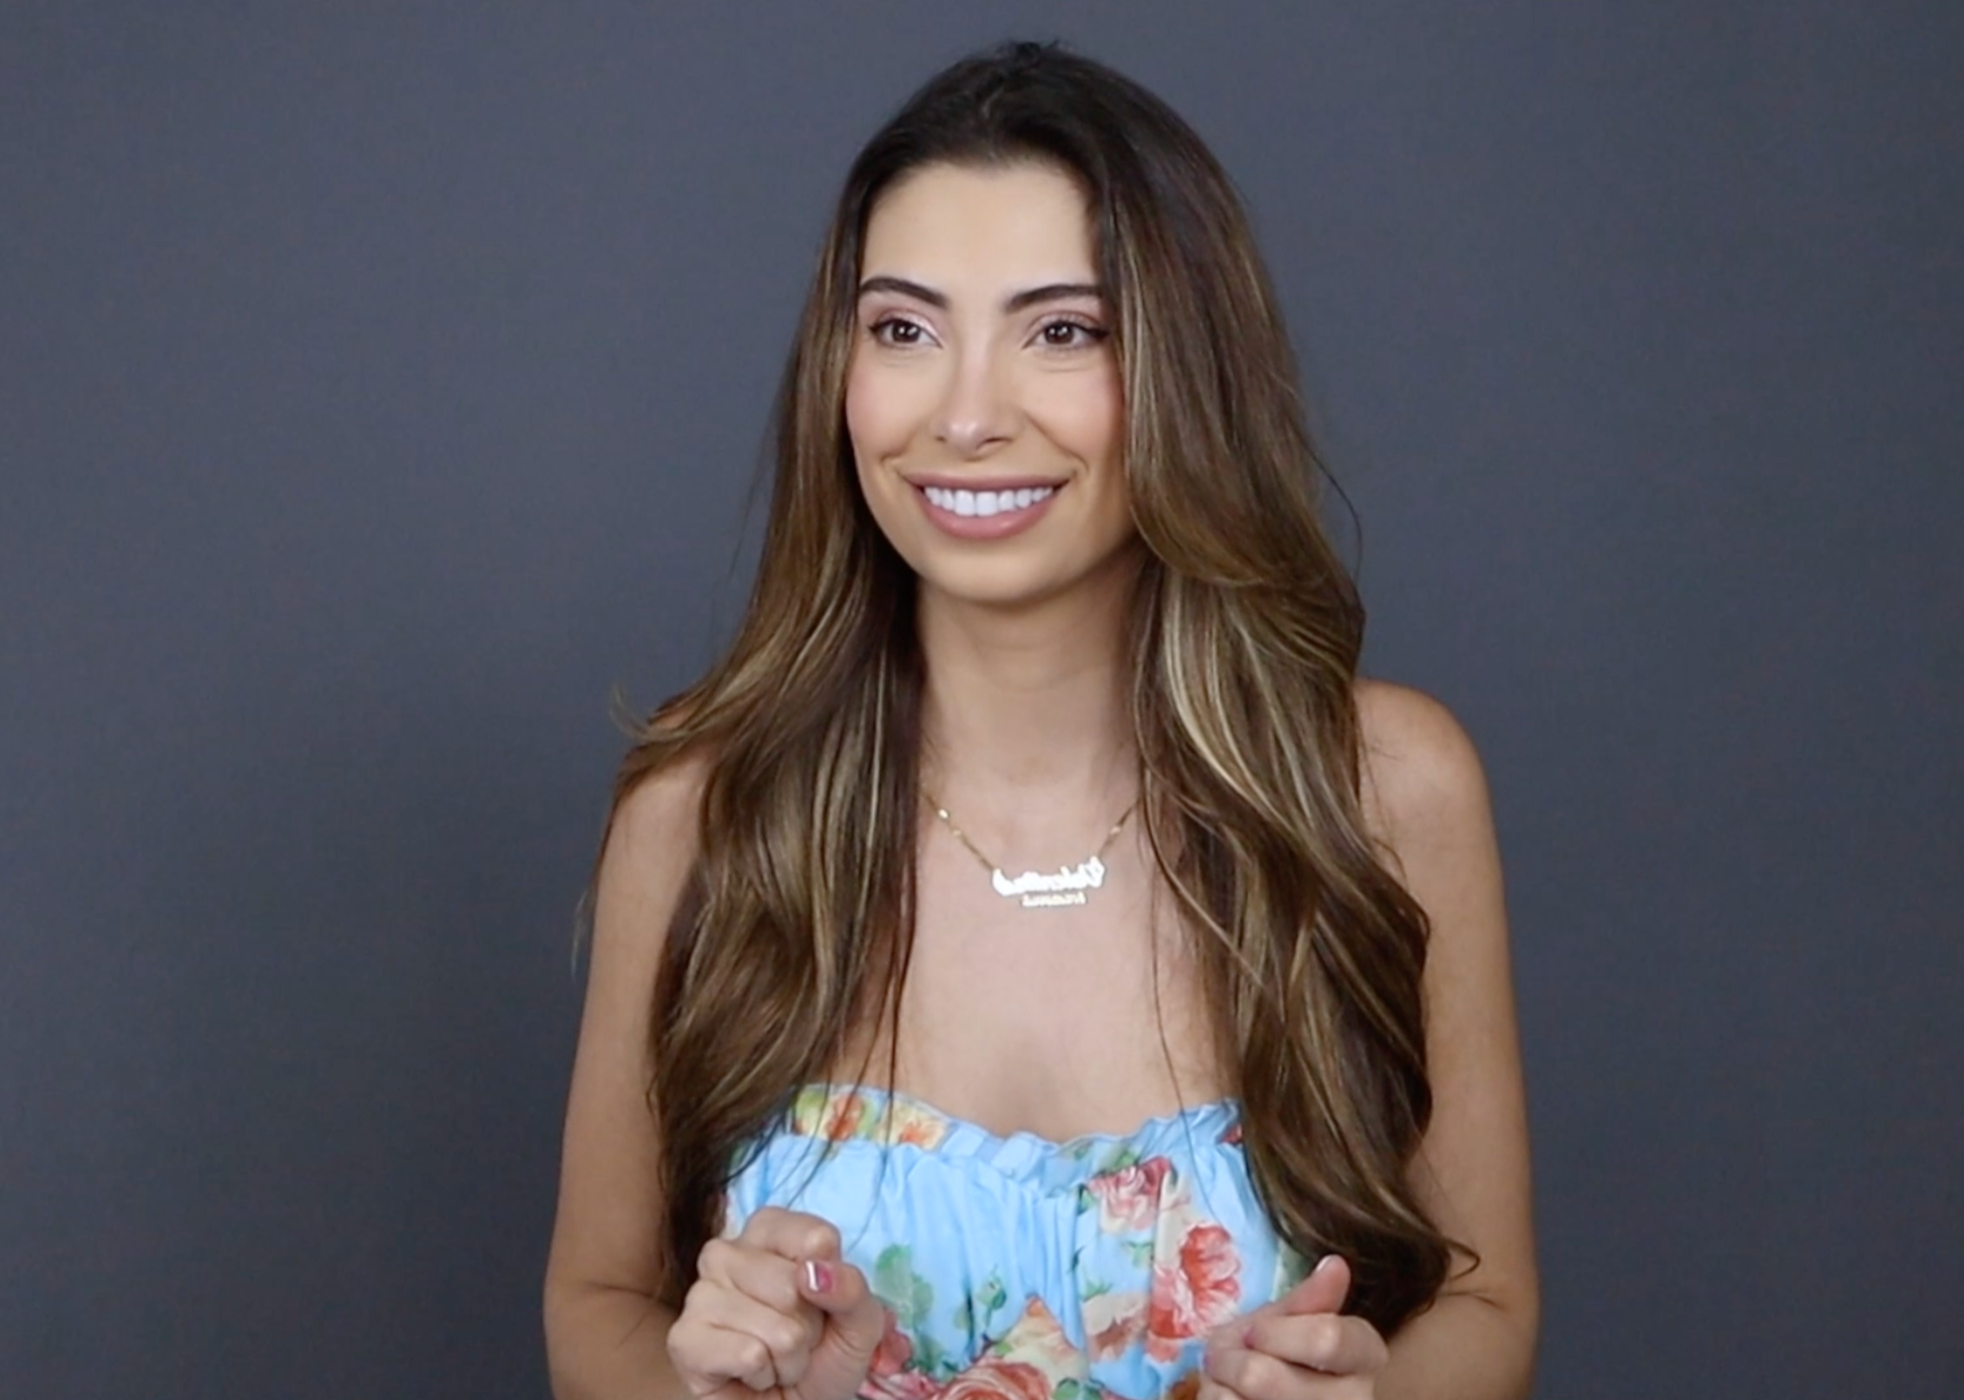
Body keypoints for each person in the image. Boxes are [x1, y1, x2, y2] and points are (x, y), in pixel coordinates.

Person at [543, 39, 1536, 1400]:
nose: (965, 417)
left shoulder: (1382, 788)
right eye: (904, 330)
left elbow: (1488, 1308)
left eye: (1062, 331)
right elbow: (595, 1304)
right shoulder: (702, 810)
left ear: (1186, 369)